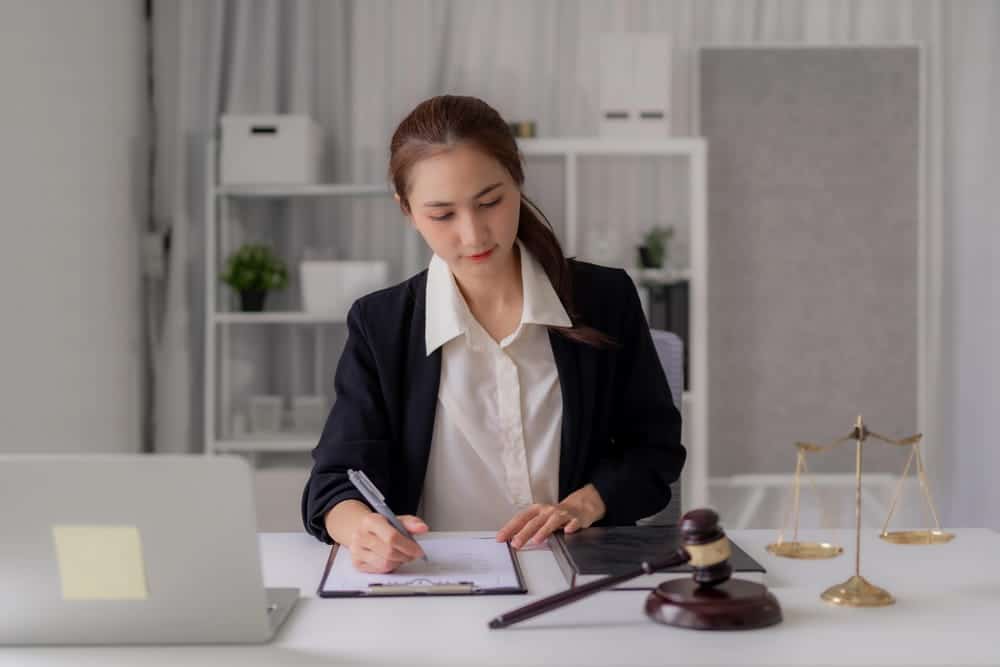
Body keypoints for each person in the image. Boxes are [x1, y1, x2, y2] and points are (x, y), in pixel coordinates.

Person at [301, 95, 685, 574]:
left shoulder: (605, 299)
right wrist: (361, 529)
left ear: (517, 179)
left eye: (490, 202)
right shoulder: (381, 325)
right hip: (436, 578)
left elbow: (655, 450)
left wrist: (584, 505)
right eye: (442, 215)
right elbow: (335, 480)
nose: (474, 234)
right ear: (406, 209)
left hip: (576, 573)